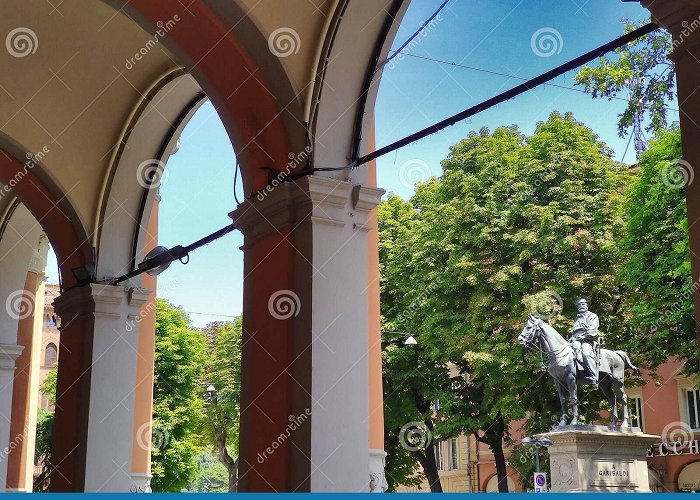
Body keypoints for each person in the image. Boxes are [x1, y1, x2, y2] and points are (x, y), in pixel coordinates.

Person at [570, 298, 599, 385]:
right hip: (576, 340)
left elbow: (592, 329)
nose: (581, 306)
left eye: (583, 304)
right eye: (579, 305)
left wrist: (582, 336)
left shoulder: (592, 316)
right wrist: (572, 337)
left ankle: (594, 376)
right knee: (567, 353)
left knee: (586, 354)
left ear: (586, 306)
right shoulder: (577, 319)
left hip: (587, 340)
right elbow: (574, 331)